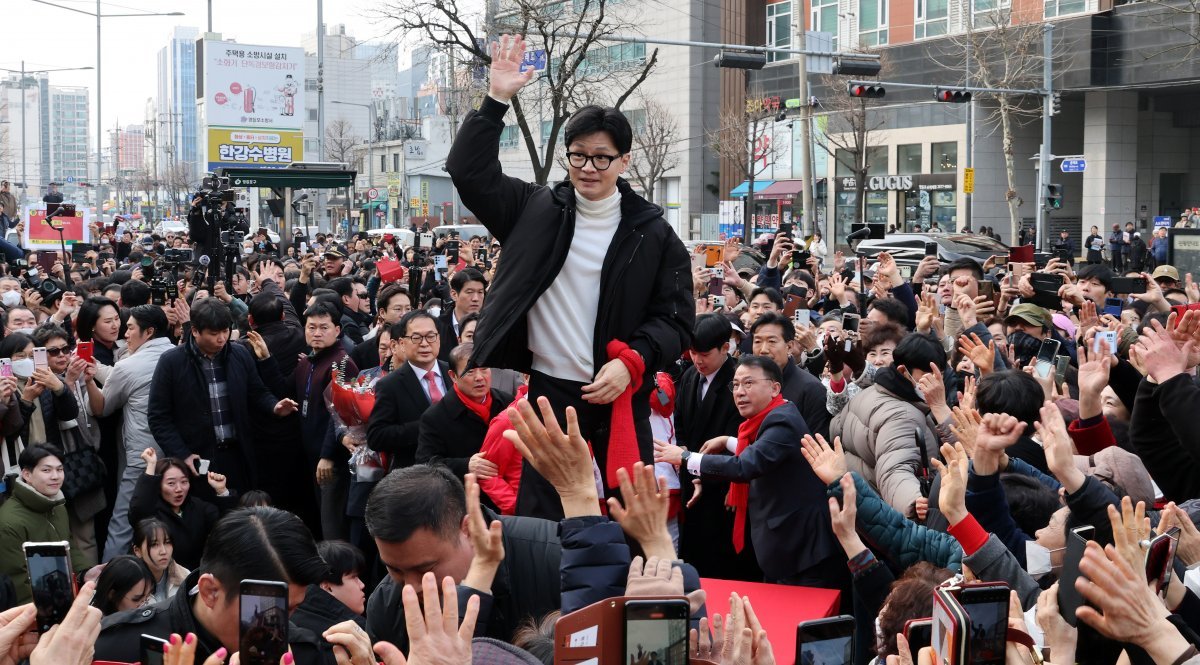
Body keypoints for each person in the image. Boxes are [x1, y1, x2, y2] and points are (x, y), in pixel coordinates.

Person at [446, 35, 693, 519]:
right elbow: (467, 170)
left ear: (624, 161)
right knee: (550, 522)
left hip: (621, 394)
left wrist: (634, 360)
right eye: (578, 155)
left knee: (628, 523)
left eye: (602, 157)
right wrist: (496, 101)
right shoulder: (534, 208)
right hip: (550, 396)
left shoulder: (653, 234)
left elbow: (677, 321)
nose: (588, 167)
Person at [654, 355, 842, 588]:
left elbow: (745, 466)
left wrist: (685, 457)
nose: (739, 392)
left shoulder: (781, 422)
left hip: (802, 551)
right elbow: (759, 452)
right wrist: (729, 441)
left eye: (748, 383)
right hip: (787, 548)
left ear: (774, 388)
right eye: (735, 385)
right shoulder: (775, 414)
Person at [93, 506, 334, 665]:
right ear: (210, 591)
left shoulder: (304, 653)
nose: (277, 631)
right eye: (264, 612)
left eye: (291, 610)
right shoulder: (115, 647)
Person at [364, 464, 561, 651]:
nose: (410, 587)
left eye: (424, 569)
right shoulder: (385, 606)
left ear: (467, 530)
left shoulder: (554, 558)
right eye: (395, 570)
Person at [148, 298, 298, 492]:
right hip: (197, 457)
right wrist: (182, 454)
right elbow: (158, 416)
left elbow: (257, 392)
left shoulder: (239, 354)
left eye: (225, 331)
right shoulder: (172, 362)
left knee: (237, 509)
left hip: (237, 453)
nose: (221, 339)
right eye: (213, 333)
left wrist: (274, 406)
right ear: (194, 331)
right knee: (205, 509)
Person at [672, 313, 761, 581]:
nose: (698, 360)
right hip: (691, 478)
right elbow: (680, 423)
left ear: (726, 347)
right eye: (693, 352)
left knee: (721, 566)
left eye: (704, 354)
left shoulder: (738, 383)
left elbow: (740, 436)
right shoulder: (690, 376)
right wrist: (685, 452)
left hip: (724, 488)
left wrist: (703, 473)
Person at [84, 305, 174, 561]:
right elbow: (130, 380)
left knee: (123, 522)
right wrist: (100, 369)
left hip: (141, 457)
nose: (125, 333)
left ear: (148, 332)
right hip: (178, 454)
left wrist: (90, 380)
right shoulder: (179, 354)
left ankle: (110, 580)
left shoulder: (130, 365)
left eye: (130, 327)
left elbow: (101, 407)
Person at [829, 332, 944, 518]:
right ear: (903, 371)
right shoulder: (904, 416)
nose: (935, 383)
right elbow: (894, 470)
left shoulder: (875, 390)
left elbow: (837, 426)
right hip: (883, 511)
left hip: (864, 501)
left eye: (940, 376)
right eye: (926, 376)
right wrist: (914, 502)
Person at [0, 445, 88, 603]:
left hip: (63, 597)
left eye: (60, 469)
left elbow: (69, 546)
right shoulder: (9, 523)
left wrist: (85, 572)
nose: (56, 476)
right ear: (27, 474)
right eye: (46, 470)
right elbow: (18, 585)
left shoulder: (56, 505)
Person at [415, 342, 511, 486]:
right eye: (470, 371)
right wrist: (466, 466)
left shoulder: (507, 403)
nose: (479, 377)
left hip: (509, 489)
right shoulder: (435, 417)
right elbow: (426, 464)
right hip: (464, 495)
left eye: (484, 368)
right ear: (453, 376)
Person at [367, 310, 450, 469]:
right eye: (416, 338)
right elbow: (377, 437)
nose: (424, 343)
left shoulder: (454, 374)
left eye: (431, 336)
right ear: (402, 344)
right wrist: (426, 426)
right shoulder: (390, 384)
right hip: (414, 475)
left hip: (457, 471)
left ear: (439, 339)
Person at [129, 448, 236, 569]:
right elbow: (138, 512)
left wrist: (222, 491)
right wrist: (151, 466)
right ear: (158, 486)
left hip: (194, 578)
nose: (179, 489)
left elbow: (227, 527)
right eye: (171, 483)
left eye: (184, 482)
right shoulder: (151, 512)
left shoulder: (197, 507)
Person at [131, 517, 189, 604]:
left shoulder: (185, 577)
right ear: (137, 551)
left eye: (167, 542)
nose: (163, 551)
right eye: (154, 544)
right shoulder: (129, 586)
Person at [436, 268, 487, 362]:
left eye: (480, 292)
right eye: (469, 292)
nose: (476, 298)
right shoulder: (437, 327)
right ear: (454, 294)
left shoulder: (491, 325)